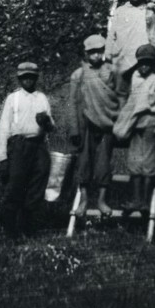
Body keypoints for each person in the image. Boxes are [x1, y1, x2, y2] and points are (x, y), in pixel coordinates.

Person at [0, 62, 55, 237]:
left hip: (38, 145)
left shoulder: (42, 98)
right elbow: (3, 128)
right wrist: (3, 157)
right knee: (15, 185)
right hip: (19, 145)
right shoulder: (13, 99)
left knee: (38, 183)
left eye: (31, 77)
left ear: (36, 78)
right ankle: (11, 230)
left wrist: (46, 122)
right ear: (19, 79)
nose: (28, 80)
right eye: (24, 77)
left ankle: (29, 227)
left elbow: (51, 126)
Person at [66, 34, 119, 217]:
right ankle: (84, 200)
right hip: (86, 124)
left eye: (99, 52)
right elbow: (72, 103)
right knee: (84, 163)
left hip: (107, 123)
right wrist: (74, 128)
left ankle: (102, 200)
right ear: (86, 53)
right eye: (92, 52)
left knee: (104, 163)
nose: (96, 56)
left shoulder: (111, 71)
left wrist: (117, 119)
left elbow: (119, 96)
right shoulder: (78, 75)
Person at [113, 44, 155, 212]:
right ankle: (135, 200)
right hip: (135, 124)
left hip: (150, 123)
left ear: (153, 65)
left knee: (149, 165)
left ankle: (145, 202)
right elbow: (131, 102)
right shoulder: (135, 78)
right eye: (141, 63)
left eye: (148, 63)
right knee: (135, 163)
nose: (144, 66)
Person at [106, 0, 155, 100]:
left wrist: (153, 55)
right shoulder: (120, 11)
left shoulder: (148, 12)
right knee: (120, 95)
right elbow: (111, 34)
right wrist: (108, 52)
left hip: (140, 62)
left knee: (139, 96)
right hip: (121, 60)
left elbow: (153, 36)